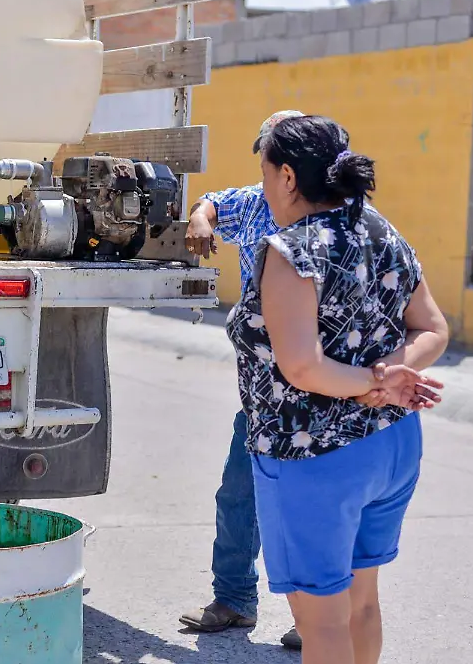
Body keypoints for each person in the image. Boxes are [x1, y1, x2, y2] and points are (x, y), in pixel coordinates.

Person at [227, 115, 448, 664]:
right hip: (391, 445)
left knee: (321, 621)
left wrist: (372, 383)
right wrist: (388, 382)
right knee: (362, 605)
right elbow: (433, 329)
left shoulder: (292, 251)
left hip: (313, 456)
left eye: (264, 174)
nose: (263, 188)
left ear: (286, 176)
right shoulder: (379, 229)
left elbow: (302, 368)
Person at [179, 110, 307, 650]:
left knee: (306, 507)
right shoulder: (257, 203)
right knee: (238, 496)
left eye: (272, 156)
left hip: (314, 400)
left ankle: (317, 614)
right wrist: (201, 218)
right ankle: (233, 600)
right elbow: (214, 201)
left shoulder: (333, 220)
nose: (265, 166)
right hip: (258, 397)